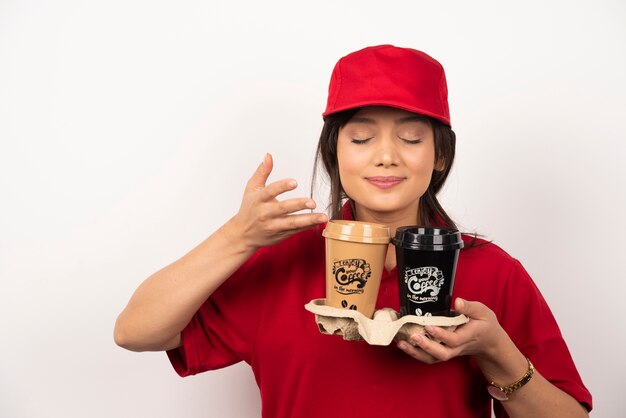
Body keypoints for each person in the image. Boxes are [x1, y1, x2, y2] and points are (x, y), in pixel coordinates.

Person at [114, 45, 592, 417]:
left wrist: (495, 352)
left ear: (440, 155)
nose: (386, 155)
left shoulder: (491, 271)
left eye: (410, 137)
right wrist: (238, 236)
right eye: (362, 137)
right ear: (335, 153)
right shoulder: (286, 259)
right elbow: (135, 331)